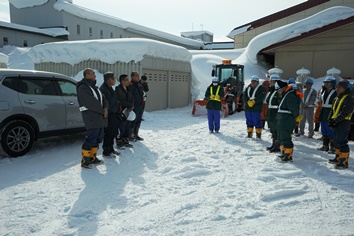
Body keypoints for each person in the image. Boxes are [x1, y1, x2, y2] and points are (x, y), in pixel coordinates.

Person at [77, 68, 108, 169]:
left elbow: (104, 99)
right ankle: (85, 160)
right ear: (87, 76)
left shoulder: (94, 87)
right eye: (93, 74)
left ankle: (92, 158)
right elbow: (90, 103)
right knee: (91, 138)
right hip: (91, 117)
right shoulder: (83, 87)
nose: (95, 75)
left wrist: (106, 108)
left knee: (98, 138)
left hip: (99, 117)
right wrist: (102, 110)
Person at [328, 80, 354, 169]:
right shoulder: (337, 97)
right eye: (336, 87)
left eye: (340, 87)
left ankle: (344, 161)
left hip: (344, 122)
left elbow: (345, 112)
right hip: (337, 122)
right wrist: (330, 119)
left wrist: (336, 120)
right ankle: (338, 157)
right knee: (336, 140)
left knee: (342, 141)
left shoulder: (349, 98)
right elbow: (332, 110)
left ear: (345, 88)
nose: (337, 89)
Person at [276, 80, 301, 162]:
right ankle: (284, 152)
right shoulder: (285, 94)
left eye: (278, 89)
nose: (278, 91)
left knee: (286, 137)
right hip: (283, 119)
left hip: (286, 120)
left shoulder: (290, 95)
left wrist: (296, 116)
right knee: (282, 136)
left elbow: (293, 108)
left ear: (283, 88)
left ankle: (288, 155)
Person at [99, 72, 121, 157]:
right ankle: (106, 151)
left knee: (113, 132)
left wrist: (118, 106)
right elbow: (108, 103)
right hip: (109, 114)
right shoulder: (103, 89)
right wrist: (115, 107)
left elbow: (115, 100)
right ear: (109, 80)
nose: (115, 80)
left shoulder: (110, 88)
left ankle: (111, 148)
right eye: (113, 78)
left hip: (114, 113)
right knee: (108, 133)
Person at [317, 76, 337, 153]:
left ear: (332, 83)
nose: (326, 84)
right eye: (325, 83)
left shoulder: (335, 92)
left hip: (330, 111)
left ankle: (333, 147)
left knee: (330, 130)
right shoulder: (324, 91)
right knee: (324, 129)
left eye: (328, 83)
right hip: (324, 111)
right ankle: (325, 146)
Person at [115, 74, 134, 149]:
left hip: (128, 110)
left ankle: (126, 140)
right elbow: (121, 100)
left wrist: (132, 104)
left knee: (127, 126)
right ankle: (119, 142)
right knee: (121, 127)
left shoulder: (128, 88)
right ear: (122, 81)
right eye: (126, 80)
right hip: (122, 111)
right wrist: (130, 105)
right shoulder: (118, 89)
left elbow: (132, 97)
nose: (128, 81)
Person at [265, 74, 281, 152]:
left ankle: (277, 146)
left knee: (276, 129)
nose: (269, 83)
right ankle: (274, 144)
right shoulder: (272, 91)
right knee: (272, 128)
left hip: (275, 112)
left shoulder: (278, 91)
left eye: (271, 81)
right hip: (271, 111)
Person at [129, 71, 145, 141]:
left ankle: (136, 134)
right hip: (134, 105)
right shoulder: (130, 85)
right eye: (136, 76)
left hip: (140, 105)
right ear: (132, 77)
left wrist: (144, 97)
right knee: (133, 120)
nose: (138, 77)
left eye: (138, 76)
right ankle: (131, 135)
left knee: (138, 119)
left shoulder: (139, 85)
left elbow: (143, 92)